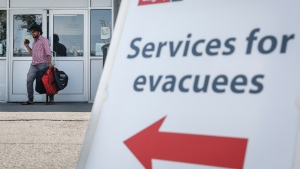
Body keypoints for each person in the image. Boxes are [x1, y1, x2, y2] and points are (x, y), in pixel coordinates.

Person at [21, 24, 55, 105]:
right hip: (34, 65)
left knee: (46, 81)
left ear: (39, 32)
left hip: (43, 64)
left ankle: (51, 99)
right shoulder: (34, 42)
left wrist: (50, 63)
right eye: (32, 32)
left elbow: (48, 52)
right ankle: (30, 100)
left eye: (34, 31)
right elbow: (32, 52)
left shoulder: (44, 40)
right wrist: (27, 46)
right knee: (29, 80)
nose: (33, 33)